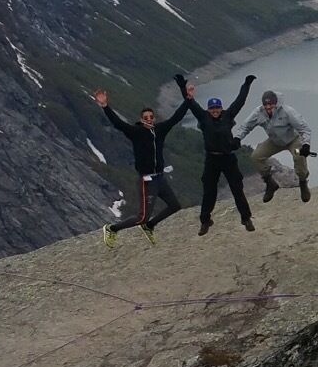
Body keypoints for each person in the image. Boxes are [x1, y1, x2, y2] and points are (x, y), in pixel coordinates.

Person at [94, 89, 187, 246]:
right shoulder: (135, 132)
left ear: (154, 118)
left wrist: (188, 100)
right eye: (146, 118)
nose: (149, 120)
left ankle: (150, 226)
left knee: (175, 206)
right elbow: (118, 124)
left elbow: (176, 118)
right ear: (141, 119)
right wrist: (105, 106)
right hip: (147, 181)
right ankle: (112, 229)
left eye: (151, 117)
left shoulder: (160, 130)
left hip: (159, 179)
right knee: (142, 216)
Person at [175, 71, 256, 234]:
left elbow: (239, 102)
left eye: (217, 107)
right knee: (209, 191)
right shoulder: (203, 117)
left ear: (221, 108)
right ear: (209, 109)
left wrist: (246, 85)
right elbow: (191, 103)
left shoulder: (228, 116)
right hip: (211, 159)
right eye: (212, 108)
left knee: (237, 189)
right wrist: (183, 87)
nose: (215, 110)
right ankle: (205, 221)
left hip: (228, 159)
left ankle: (246, 218)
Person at [237, 88, 314, 203]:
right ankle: (270, 183)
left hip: (292, 140)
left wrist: (306, 145)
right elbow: (245, 127)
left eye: (271, 104)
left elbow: (304, 129)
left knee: (299, 155)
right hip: (274, 141)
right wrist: (237, 138)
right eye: (265, 105)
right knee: (256, 156)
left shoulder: (287, 111)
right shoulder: (258, 113)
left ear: (275, 103)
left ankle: (303, 182)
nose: (268, 107)